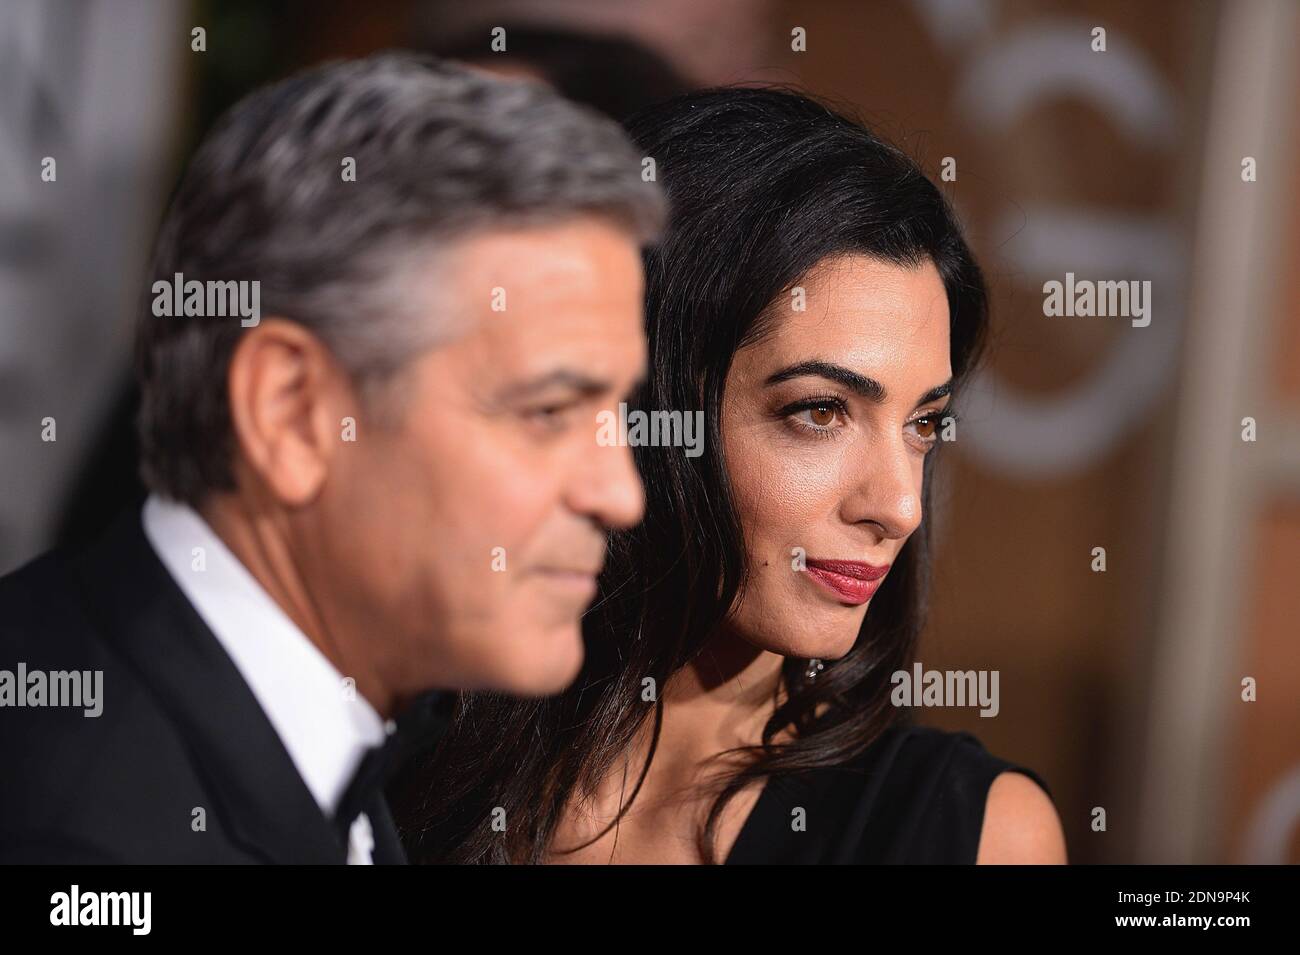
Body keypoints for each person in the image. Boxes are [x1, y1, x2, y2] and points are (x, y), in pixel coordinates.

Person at [0, 52, 663, 864]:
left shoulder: (310, 729)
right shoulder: (83, 837)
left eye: (617, 412)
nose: (620, 492)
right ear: (293, 412)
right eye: (548, 411)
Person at [395, 87, 1067, 865]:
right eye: (820, 412)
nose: (899, 505)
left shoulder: (964, 833)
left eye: (924, 425)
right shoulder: (400, 760)